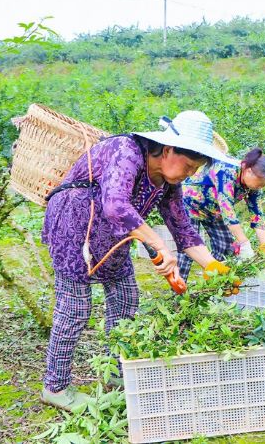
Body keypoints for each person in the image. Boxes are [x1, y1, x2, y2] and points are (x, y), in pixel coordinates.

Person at [40, 110, 239, 411]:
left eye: (194, 169)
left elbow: (183, 229)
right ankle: (55, 387)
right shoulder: (128, 150)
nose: (189, 174)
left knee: (125, 300)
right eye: (188, 166)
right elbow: (116, 203)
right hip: (74, 228)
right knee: (76, 308)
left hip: (113, 236)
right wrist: (157, 243)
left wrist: (214, 266)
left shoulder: (169, 181)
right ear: (169, 149)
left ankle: (114, 372)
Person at [177, 147, 265, 281]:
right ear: (248, 170)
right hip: (190, 204)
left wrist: (264, 246)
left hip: (213, 211)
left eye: (262, 186)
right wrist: (244, 243)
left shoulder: (252, 185)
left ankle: (213, 281)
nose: (259, 188)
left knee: (225, 246)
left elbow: (257, 214)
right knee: (189, 249)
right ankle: (178, 289)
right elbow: (228, 211)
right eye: (258, 184)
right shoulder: (226, 170)